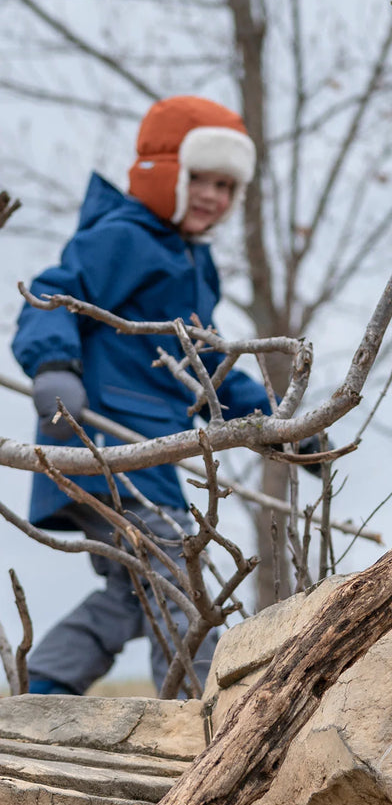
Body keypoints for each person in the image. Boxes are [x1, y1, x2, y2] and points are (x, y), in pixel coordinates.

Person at [13, 94, 277, 696]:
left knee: (133, 593)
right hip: (100, 439)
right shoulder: (123, 237)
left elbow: (204, 367)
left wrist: (272, 420)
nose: (214, 196)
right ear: (164, 172)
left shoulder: (194, 265)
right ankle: (199, 717)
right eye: (201, 179)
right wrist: (54, 366)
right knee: (178, 579)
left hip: (149, 454)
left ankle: (41, 693)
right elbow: (51, 296)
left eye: (227, 186)